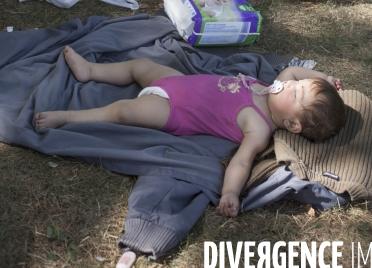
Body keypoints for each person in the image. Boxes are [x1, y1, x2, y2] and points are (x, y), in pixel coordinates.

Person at [35, 46, 346, 217]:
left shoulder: (258, 126)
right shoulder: (271, 88)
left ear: (292, 124)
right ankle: (90, 70)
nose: (291, 83)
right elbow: (293, 71)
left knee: (123, 111)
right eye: (299, 84)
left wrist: (229, 194)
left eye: (296, 93)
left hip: (172, 111)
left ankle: (68, 118)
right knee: (140, 64)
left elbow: (241, 162)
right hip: (175, 81)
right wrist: (326, 78)